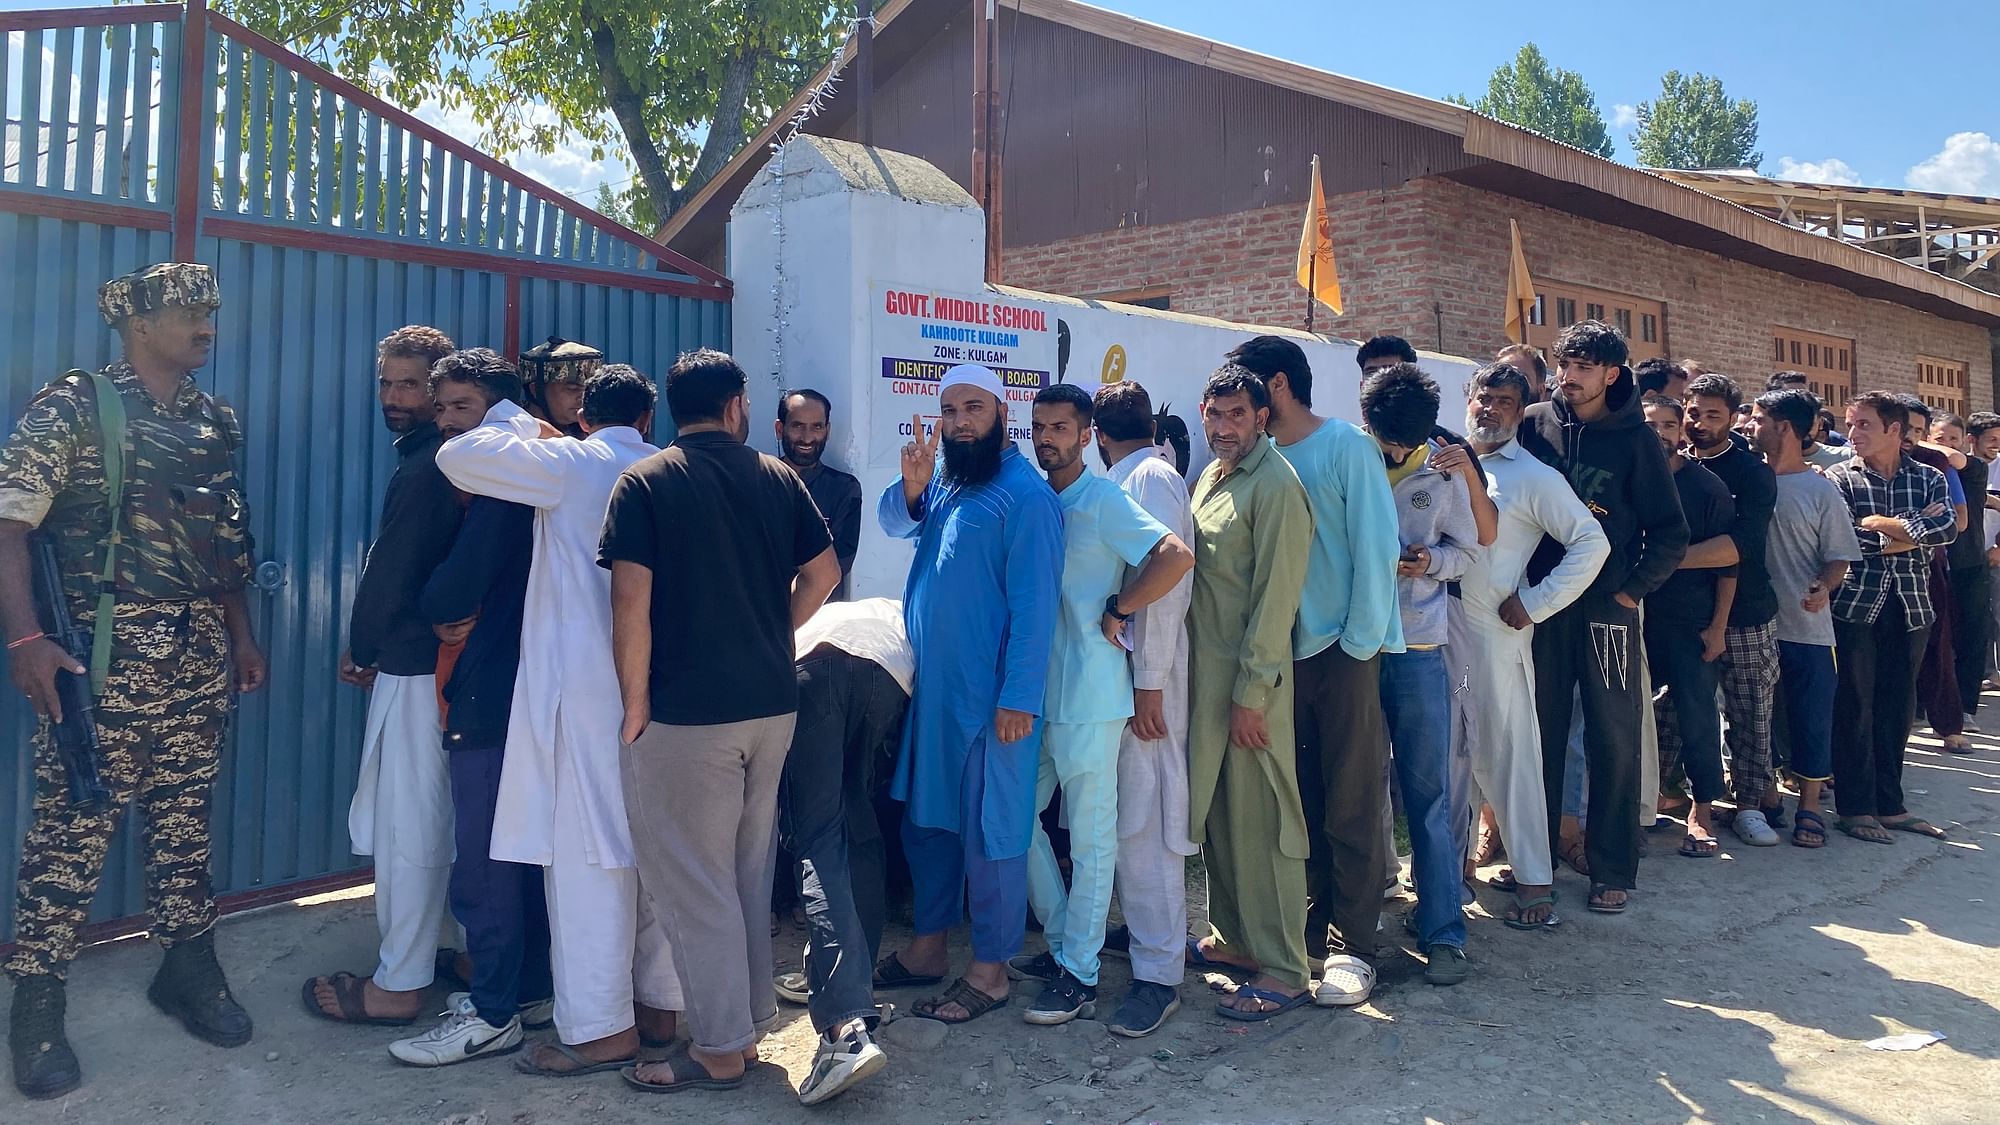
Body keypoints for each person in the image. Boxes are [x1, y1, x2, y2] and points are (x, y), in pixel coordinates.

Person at [2, 264, 266, 1099]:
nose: (205, 324)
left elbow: (226, 545)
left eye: (210, 311)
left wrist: (241, 638)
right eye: (188, 311)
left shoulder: (213, 419)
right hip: (101, 662)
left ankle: (187, 969)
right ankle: (36, 1006)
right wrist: (26, 639)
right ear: (138, 323)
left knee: (186, 820)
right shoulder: (76, 406)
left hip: (193, 653)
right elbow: (9, 521)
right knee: (72, 835)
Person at [600, 348, 841, 1091]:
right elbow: (826, 571)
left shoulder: (644, 481)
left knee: (692, 880)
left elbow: (630, 601)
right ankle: (746, 1023)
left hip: (687, 713)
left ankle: (719, 1049)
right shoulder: (775, 476)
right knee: (742, 871)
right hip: (770, 705)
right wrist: (776, 629)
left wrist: (634, 702)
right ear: (737, 405)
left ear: (673, 408)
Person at [431, 365, 682, 1077]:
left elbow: (456, 454)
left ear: (584, 418)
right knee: (658, 852)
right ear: (647, 416)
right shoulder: (670, 466)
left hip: (590, 695)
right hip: (671, 691)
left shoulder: (573, 463)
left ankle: (602, 1028)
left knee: (586, 861)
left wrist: (519, 421)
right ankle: (661, 1005)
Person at [874, 364, 1063, 1025]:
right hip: (935, 699)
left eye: (972, 408)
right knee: (927, 825)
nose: (959, 421)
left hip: (993, 709)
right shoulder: (950, 482)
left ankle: (989, 970)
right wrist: (915, 486)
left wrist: (1019, 697)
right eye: (950, 409)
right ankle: (928, 949)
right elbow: (894, 522)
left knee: (993, 836)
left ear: (1001, 412)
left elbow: (1035, 608)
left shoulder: (1027, 498)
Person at [1010, 384, 1193, 1026]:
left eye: (1061, 427)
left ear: (1087, 434)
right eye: (1039, 426)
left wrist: (1121, 608)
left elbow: (1174, 556)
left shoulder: (1104, 498)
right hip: (1034, 693)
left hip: (1092, 694)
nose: (1047, 437)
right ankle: (1065, 940)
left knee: (1090, 838)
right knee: (1013, 817)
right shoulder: (1034, 500)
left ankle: (1080, 974)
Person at [391, 349, 552, 1066]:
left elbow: (453, 592)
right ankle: (528, 990)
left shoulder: (502, 479)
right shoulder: (547, 457)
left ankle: (492, 1012)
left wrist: (432, 604)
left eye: (459, 407)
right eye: (442, 407)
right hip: (532, 683)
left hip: (490, 687)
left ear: (495, 405)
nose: (444, 420)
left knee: (485, 858)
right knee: (524, 850)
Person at [308, 324, 464, 1026]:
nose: (394, 397)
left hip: (414, 669)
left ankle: (398, 983)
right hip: (437, 667)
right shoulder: (446, 459)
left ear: (438, 393)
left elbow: (393, 574)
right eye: (387, 383)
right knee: (441, 818)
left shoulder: (428, 468)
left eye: (409, 385)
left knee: (410, 826)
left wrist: (364, 647)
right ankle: (446, 949)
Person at [1246, 337, 1405, 1006]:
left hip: (1342, 652)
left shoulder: (1345, 446)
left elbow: (1378, 549)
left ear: (1278, 385)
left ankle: (1358, 945)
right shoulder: (1261, 457)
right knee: (1301, 798)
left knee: (1352, 798)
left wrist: (1359, 645)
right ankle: (1309, 925)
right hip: (1281, 660)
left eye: (1248, 387)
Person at [1517, 320, 1688, 915]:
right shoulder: (1535, 424)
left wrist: (1630, 593)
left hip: (1605, 610)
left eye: (1584, 367)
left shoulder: (1636, 442)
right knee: (1538, 732)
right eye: (1564, 364)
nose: (1569, 377)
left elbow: (1670, 533)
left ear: (1612, 374)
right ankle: (1534, 861)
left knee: (1612, 737)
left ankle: (1612, 864)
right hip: (1539, 604)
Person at [1449, 363, 1607, 929]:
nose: (1489, 409)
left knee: (1509, 755)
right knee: (1447, 759)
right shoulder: (1442, 461)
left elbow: (1592, 542)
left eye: (1505, 402)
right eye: (1482, 398)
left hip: (1495, 630)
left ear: (1523, 410)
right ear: (1467, 400)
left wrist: (1536, 602)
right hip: (1432, 628)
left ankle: (1535, 881)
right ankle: (1453, 869)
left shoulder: (1534, 476)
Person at [1182, 363, 1315, 1020]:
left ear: (1262, 417)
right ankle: (1235, 941)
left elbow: (1275, 602)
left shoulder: (1277, 487)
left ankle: (1287, 967)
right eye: (1216, 414)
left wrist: (1252, 692)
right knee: (1221, 820)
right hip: (1205, 684)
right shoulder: (1211, 477)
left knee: (1264, 826)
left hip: (1249, 685)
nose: (1224, 427)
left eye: (1238, 415)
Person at [1360, 364, 1481, 985]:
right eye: (1388, 441)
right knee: (1352, 793)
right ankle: (1349, 933)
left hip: (1421, 648)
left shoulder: (1446, 471)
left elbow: (1468, 551)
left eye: (1407, 442)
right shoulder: (1348, 459)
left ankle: (1443, 932)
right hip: (1353, 650)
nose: (1398, 451)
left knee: (1429, 793)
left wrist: (1430, 560)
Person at [1090, 380, 1197, 1038]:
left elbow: (1165, 585)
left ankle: (1160, 973)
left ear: (1098, 435)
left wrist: (1150, 680)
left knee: (1149, 821)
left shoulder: (1151, 477)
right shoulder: (1130, 478)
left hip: (1145, 682)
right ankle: (1135, 938)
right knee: (1120, 818)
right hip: (1120, 679)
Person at [776, 598, 911, 1103]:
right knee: (858, 825)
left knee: (817, 837)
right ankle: (854, 983)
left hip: (814, 667)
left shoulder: (826, 610)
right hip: (889, 676)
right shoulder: (899, 608)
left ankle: (843, 1029)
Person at [1826, 391, 1956, 844]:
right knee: (1855, 705)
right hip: (1856, 606)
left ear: (1894, 431)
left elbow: (1947, 530)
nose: (1853, 434)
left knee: (1898, 707)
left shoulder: (1928, 477)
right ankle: (1856, 808)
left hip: (1912, 605)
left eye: (1864, 425)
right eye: (1851, 424)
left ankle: (1890, 804)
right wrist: (1909, 530)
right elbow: (1846, 540)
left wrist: (1879, 523)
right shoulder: (1839, 478)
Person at [1746, 390, 1860, 848]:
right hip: (1753, 625)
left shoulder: (1820, 490)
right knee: (1756, 718)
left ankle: (1810, 807)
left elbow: (1839, 558)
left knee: (1812, 719)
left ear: (1784, 428)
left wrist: (1824, 586)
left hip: (1808, 630)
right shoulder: (1747, 481)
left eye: (1757, 420)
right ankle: (1765, 795)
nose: (1749, 426)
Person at [1682, 374, 1785, 844]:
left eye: (1712, 415)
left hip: (1747, 611)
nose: (1699, 423)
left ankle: (1749, 803)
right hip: (1681, 611)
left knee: (1750, 712)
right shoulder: (1671, 466)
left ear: (1734, 418)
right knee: (1677, 711)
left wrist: (1669, 557)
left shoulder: (1752, 473)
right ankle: (1679, 797)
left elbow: (1740, 546)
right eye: (1693, 412)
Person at [1638, 396, 1737, 859]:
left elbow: (1731, 563)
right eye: (1649, 423)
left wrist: (1718, 627)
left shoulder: (1706, 487)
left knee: (1699, 716)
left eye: (1668, 424)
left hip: (1690, 620)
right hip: (1632, 616)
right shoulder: (1627, 479)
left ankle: (1702, 810)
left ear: (1681, 431)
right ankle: (1635, 806)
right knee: (1627, 715)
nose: (1658, 431)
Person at [1898, 396, 1975, 754]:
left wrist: (1902, 526)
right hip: (1872, 573)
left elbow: (1956, 521)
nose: (1910, 437)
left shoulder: (1935, 464)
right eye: (1905, 428)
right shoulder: (1863, 466)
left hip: (1929, 566)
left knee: (1937, 646)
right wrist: (1920, 520)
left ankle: (1948, 724)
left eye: (1918, 429)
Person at [1933, 413, 1990, 735]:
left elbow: (1954, 459)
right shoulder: (1922, 472)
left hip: (1969, 564)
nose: (1946, 445)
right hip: (1937, 565)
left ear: (1965, 441)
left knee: (1970, 638)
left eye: (1953, 438)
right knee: (1939, 639)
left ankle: (1967, 706)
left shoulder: (1973, 469)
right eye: (1940, 438)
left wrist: (1930, 447)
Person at [777, 389, 862, 598]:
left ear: (828, 430)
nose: (807, 438)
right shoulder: (758, 480)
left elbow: (839, 564)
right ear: (780, 429)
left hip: (822, 619)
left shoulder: (844, 489)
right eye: (797, 426)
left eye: (817, 427)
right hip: (765, 616)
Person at [517, 336, 602, 438]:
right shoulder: (514, 433)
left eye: (587, 389)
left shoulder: (593, 434)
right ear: (535, 389)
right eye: (572, 389)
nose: (583, 397)